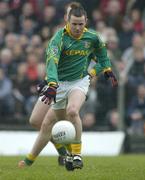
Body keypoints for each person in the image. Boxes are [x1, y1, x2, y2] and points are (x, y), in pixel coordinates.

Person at [18, 5, 118, 171]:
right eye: (74, 24)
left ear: (86, 21)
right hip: (58, 84)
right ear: (67, 20)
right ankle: (64, 152)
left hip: (79, 82)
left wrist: (100, 71)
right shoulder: (58, 40)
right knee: (39, 121)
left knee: (71, 112)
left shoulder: (92, 37)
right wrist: (50, 83)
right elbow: (52, 63)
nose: (78, 28)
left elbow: (102, 57)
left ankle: (76, 155)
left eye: (81, 24)